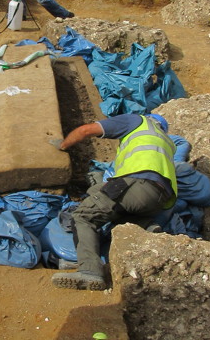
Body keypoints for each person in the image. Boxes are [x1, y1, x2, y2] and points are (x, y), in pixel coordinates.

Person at [52, 112, 177, 290]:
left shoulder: (137, 121)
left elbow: (86, 130)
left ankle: (89, 271)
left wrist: (63, 144)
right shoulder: (167, 142)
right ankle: (144, 224)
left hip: (136, 184)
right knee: (113, 212)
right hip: (159, 200)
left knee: (83, 216)